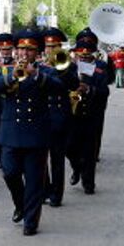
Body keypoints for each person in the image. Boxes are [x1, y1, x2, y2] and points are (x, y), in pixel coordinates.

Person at [0, 29, 64, 236]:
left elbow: (59, 88)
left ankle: (31, 221)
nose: (23, 53)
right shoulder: (6, 70)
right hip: (11, 132)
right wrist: (12, 76)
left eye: (29, 49)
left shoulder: (46, 71)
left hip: (36, 133)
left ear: (37, 52)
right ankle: (20, 204)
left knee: (34, 180)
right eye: (20, 48)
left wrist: (35, 74)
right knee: (10, 173)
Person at [67, 40, 111, 194]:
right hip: (72, 115)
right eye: (80, 54)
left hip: (91, 114)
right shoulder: (70, 66)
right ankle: (77, 168)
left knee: (89, 151)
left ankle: (88, 183)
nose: (83, 57)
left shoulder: (100, 67)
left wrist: (89, 89)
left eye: (86, 55)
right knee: (69, 147)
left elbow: (104, 91)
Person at [42, 28, 79, 207]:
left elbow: (74, 84)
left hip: (59, 116)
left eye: (55, 46)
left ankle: (56, 194)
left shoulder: (69, 65)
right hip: (41, 116)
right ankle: (45, 190)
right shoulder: (38, 65)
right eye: (49, 46)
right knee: (41, 158)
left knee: (57, 157)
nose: (51, 49)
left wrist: (60, 68)